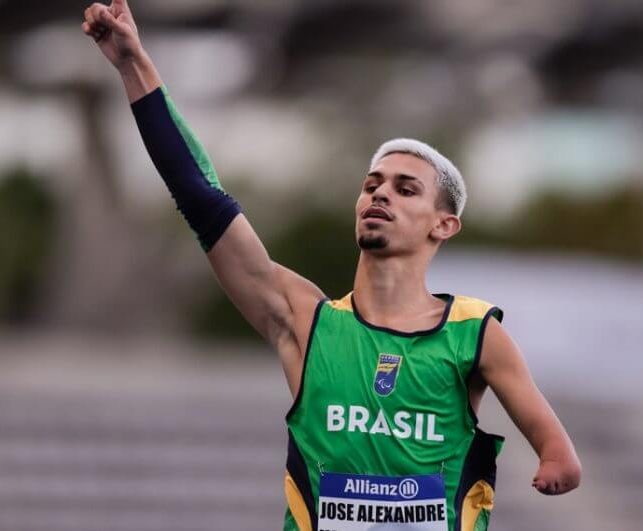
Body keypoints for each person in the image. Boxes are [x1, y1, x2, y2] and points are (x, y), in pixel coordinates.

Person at [82, 1, 582, 529]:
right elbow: (202, 198)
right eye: (372, 185)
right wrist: (133, 65)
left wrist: (556, 464)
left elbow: (560, 453)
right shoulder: (307, 321)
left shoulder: (474, 334)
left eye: (405, 189)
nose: (380, 194)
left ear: (443, 225)